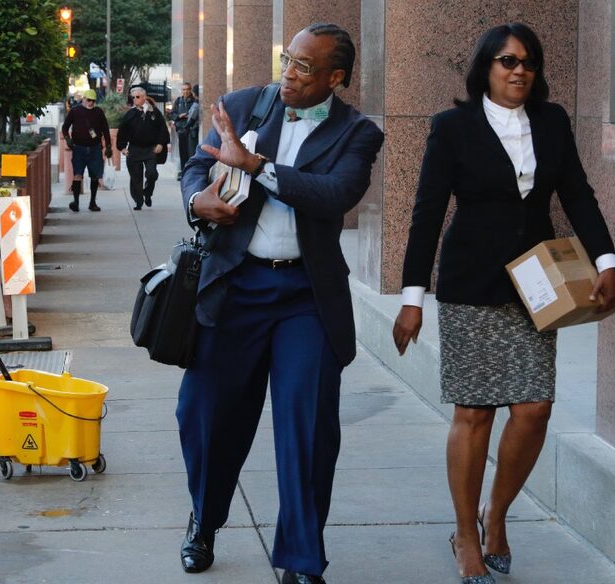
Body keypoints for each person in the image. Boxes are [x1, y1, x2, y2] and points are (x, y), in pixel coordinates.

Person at [392, 23, 615, 584]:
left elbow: (577, 194)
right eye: (507, 61)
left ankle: (497, 513)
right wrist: (412, 298)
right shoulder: (452, 127)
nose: (519, 70)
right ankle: (466, 533)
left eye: (529, 63)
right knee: (474, 413)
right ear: (485, 68)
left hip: (536, 284)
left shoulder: (552, 121)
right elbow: (425, 213)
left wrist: (608, 261)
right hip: (470, 284)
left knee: (534, 408)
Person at [177, 23, 383, 584]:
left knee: (306, 426)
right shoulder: (246, 105)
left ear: (336, 78)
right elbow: (197, 164)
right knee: (204, 413)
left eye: (304, 67)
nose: (289, 74)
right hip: (235, 286)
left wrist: (257, 167)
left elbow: (335, 196)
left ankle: (301, 558)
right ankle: (205, 518)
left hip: (305, 298)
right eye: (287, 60)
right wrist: (199, 200)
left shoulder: (357, 133)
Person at [116, 87, 170, 210]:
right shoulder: (130, 114)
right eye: (133, 97)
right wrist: (123, 148)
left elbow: (162, 129)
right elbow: (122, 131)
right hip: (134, 149)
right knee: (135, 177)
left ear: (144, 97)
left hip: (150, 149)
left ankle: (148, 193)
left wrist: (160, 144)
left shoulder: (154, 112)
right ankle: (138, 200)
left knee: (152, 173)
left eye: (137, 97)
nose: (135, 99)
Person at [61, 88, 112, 212]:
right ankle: (76, 202)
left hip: (95, 147)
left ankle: (92, 202)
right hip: (79, 148)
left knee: (95, 175)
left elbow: (105, 129)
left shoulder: (99, 112)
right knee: (77, 174)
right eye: (89, 100)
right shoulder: (75, 111)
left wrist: (109, 146)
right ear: (83, 99)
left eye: (93, 101)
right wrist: (68, 139)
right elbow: (65, 127)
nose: (91, 103)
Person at [169, 82, 199, 177]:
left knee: (191, 152)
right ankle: (183, 172)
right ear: (181, 90)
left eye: (187, 89)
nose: (186, 91)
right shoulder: (178, 101)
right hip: (181, 130)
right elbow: (171, 114)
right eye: (184, 89)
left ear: (190, 90)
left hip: (191, 131)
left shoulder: (195, 101)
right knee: (183, 153)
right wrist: (179, 116)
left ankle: (191, 172)